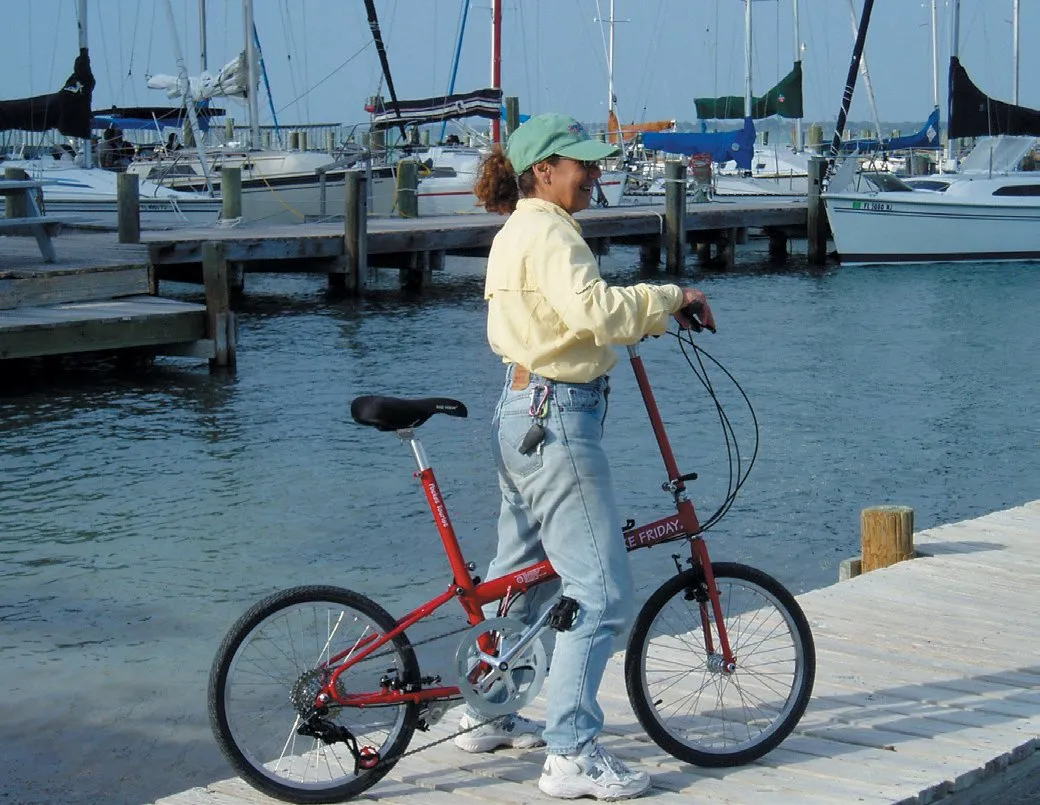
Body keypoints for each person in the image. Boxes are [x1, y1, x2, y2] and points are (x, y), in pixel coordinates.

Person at [454, 112, 716, 801]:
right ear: (543, 171)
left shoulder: (515, 230)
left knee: (520, 578)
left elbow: (564, 318)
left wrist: (639, 320)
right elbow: (594, 310)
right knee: (600, 591)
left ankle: (488, 707)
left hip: (520, 410)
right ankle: (570, 753)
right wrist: (671, 297)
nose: (595, 174)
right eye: (583, 164)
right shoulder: (549, 231)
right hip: (557, 419)